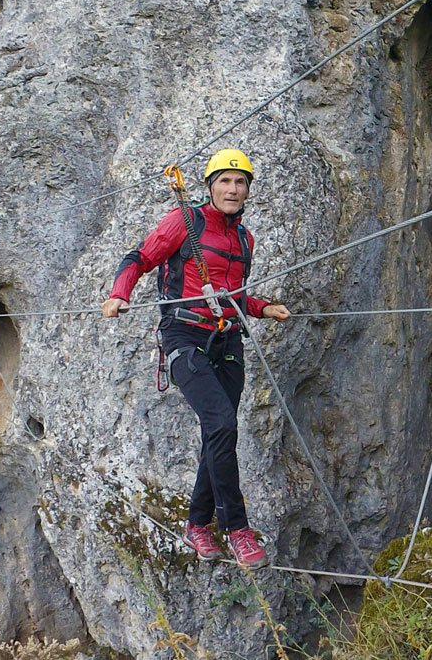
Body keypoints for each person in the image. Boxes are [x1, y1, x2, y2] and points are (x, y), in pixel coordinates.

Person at [102, 148, 290, 568]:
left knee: (218, 432)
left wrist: (262, 308)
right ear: (210, 186)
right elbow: (139, 258)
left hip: (227, 341)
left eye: (240, 182)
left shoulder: (244, 238)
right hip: (184, 334)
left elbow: (232, 296)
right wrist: (119, 293)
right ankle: (237, 529)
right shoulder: (184, 222)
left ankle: (197, 524)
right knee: (221, 423)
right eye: (225, 180)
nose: (233, 188)